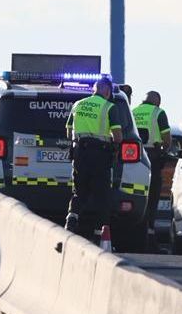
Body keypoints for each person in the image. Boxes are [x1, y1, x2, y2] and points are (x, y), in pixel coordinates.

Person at [65, 78, 123, 239]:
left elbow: (69, 132)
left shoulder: (78, 104)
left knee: (79, 191)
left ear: (94, 89)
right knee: (102, 195)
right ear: (107, 91)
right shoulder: (109, 107)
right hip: (100, 155)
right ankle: (99, 234)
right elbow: (117, 136)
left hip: (79, 153)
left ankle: (71, 220)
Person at [131, 90, 172, 237]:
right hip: (152, 158)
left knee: (135, 192)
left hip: (133, 158)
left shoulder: (133, 111)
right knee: (152, 195)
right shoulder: (158, 112)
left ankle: (134, 228)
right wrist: (164, 150)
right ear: (157, 102)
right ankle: (149, 230)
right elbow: (166, 139)